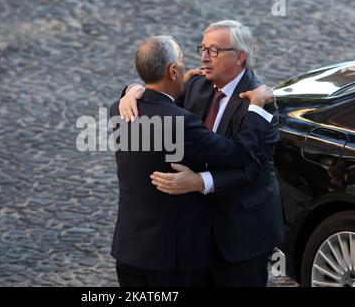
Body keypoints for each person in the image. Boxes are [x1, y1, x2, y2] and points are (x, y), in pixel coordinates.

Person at [119, 20, 284, 287]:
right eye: (203, 48)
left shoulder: (260, 103)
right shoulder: (197, 84)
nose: (204, 57)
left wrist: (199, 182)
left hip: (240, 234)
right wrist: (133, 90)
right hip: (194, 234)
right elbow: (160, 94)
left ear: (239, 57)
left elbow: (251, 167)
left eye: (214, 51)